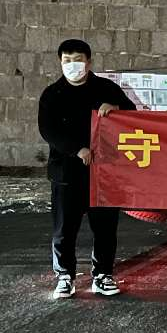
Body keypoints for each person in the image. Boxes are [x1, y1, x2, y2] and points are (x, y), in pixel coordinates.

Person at [38, 39, 136, 299]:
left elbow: (133, 113)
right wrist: (76, 150)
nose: (73, 65)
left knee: (105, 227)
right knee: (64, 228)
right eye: (67, 60)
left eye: (78, 59)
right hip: (67, 173)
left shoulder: (106, 89)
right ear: (60, 62)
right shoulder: (52, 94)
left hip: (104, 173)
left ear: (89, 62)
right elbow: (48, 130)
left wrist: (116, 109)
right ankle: (64, 276)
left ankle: (102, 275)